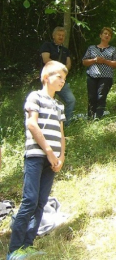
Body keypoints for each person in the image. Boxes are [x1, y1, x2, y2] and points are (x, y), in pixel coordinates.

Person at [7, 61, 67, 260]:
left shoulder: (59, 105)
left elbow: (61, 133)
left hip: (52, 160)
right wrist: (49, 152)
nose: (62, 81)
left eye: (64, 79)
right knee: (30, 201)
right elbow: (32, 125)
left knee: (41, 202)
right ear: (46, 77)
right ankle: (14, 250)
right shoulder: (35, 96)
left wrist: (61, 157)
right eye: (59, 77)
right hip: (36, 156)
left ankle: (28, 245)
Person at [82, 27, 116, 119]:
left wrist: (105, 61)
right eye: (105, 33)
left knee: (101, 97)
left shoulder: (113, 49)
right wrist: (94, 60)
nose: (107, 36)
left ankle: (98, 118)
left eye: (109, 35)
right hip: (92, 75)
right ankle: (90, 117)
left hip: (106, 76)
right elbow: (84, 61)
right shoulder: (91, 48)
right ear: (100, 35)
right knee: (92, 97)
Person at [40, 27, 76, 125]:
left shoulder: (65, 50)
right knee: (47, 102)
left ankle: (66, 124)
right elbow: (46, 59)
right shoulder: (47, 45)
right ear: (53, 36)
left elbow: (68, 63)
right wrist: (59, 68)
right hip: (49, 79)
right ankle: (45, 124)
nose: (61, 37)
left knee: (71, 100)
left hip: (61, 80)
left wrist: (63, 73)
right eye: (59, 35)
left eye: (63, 35)